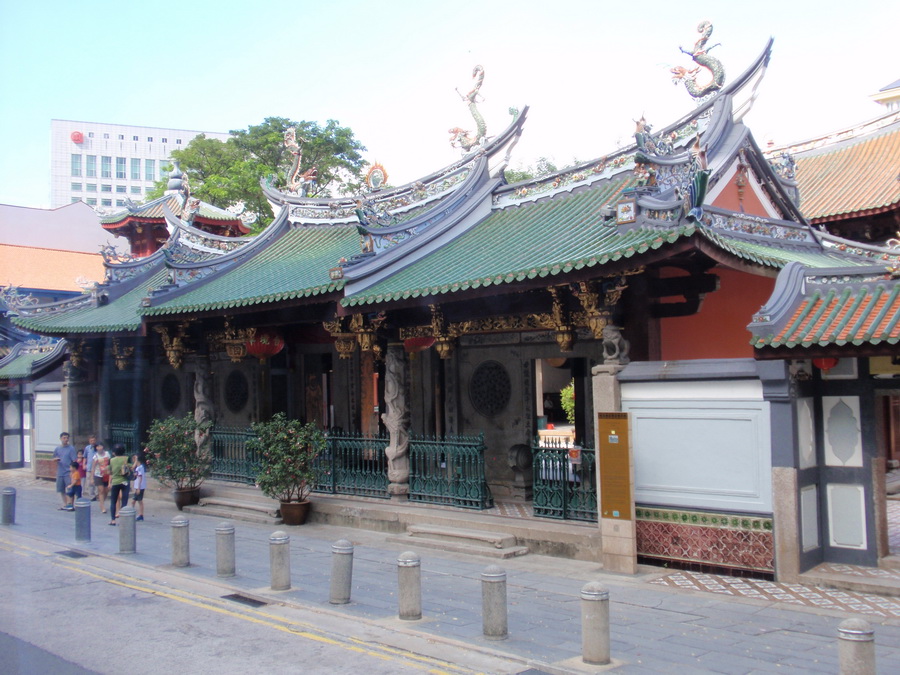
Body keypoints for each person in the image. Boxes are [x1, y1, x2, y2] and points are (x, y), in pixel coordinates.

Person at [52, 432, 77, 510]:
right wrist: (56, 459)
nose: (66, 439)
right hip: (60, 471)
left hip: (68, 472)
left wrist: (72, 471)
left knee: (69, 488)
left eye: (67, 438)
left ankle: (70, 504)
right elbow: (53, 458)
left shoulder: (71, 448)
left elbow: (74, 460)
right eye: (64, 438)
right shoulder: (57, 448)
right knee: (61, 489)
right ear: (60, 439)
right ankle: (65, 504)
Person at [107, 444, 131, 525]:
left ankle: (113, 520)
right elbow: (131, 467)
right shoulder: (126, 458)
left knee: (113, 501)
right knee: (124, 501)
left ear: (114, 452)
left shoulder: (111, 460)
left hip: (115, 482)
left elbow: (109, 471)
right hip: (125, 481)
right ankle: (123, 519)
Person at [92, 443, 110, 514]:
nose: (100, 448)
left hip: (106, 474)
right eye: (98, 446)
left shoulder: (107, 454)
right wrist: (92, 477)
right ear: (96, 448)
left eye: (101, 446)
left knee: (106, 490)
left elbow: (109, 462)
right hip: (98, 474)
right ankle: (102, 506)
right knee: (101, 490)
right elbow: (93, 467)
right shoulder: (95, 456)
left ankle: (101, 501)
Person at [130, 450, 147, 521]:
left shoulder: (140, 468)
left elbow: (140, 478)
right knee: (136, 501)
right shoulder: (139, 467)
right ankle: (138, 514)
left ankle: (138, 514)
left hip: (140, 487)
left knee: (137, 501)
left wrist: (138, 488)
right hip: (139, 487)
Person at [83, 435, 98, 500]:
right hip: (89, 467)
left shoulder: (98, 447)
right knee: (89, 482)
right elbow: (85, 457)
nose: (93, 442)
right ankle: (92, 495)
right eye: (91, 440)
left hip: (97, 468)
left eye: (94, 440)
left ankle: (97, 494)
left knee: (97, 482)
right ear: (89, 441)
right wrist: (84, 464)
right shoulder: (87, 448)